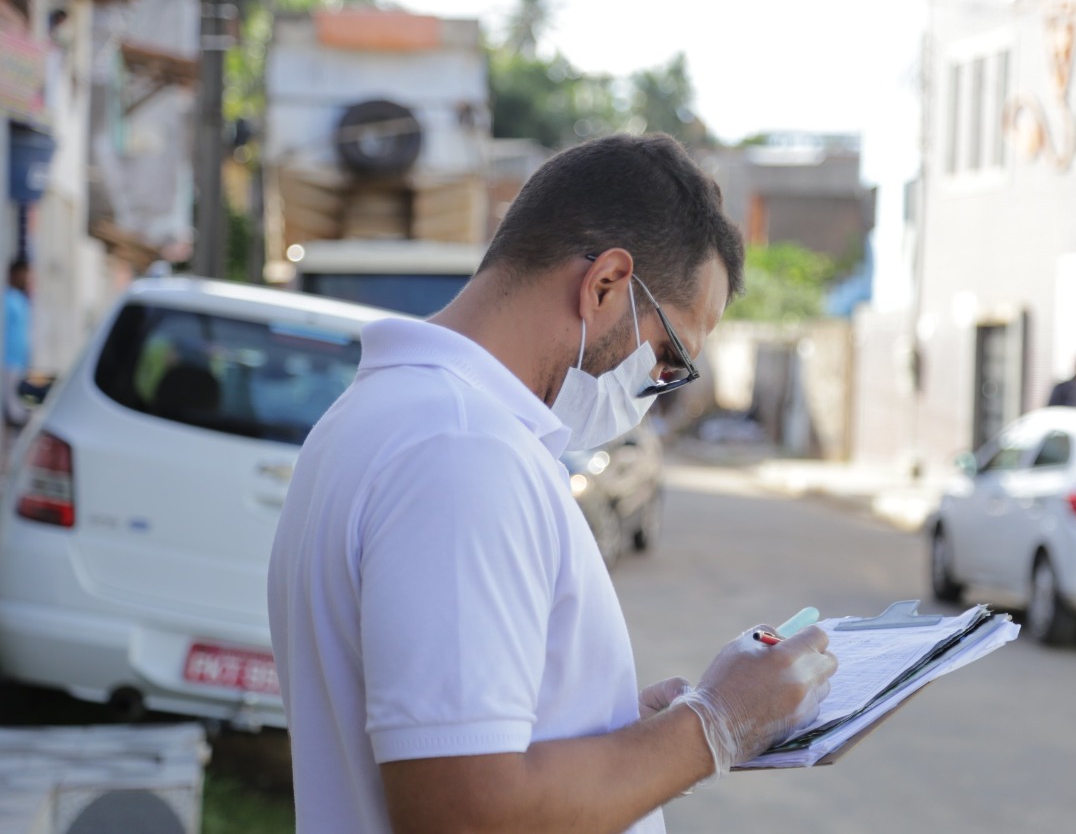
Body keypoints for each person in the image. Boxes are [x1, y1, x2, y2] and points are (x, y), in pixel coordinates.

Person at [267, 134, 838, 834]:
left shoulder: (394, 418)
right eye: (671, 356)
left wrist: (622, 729)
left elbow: (459, 743)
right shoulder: (461, 450)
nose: (660, 388)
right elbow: (463, 811)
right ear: (605, 286)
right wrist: (715, 723)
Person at [4, 256, 34, 430]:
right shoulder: (7, 299)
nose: (26, 278)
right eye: (24, 273)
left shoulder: (22, 300)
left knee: (23, 409)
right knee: (14, 413)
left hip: (21, 363)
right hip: (8, 363)